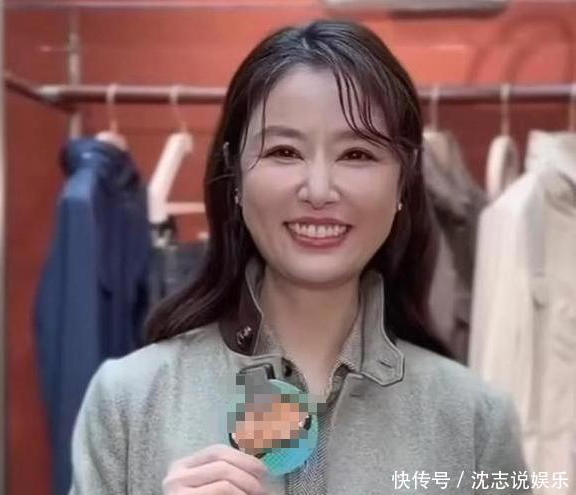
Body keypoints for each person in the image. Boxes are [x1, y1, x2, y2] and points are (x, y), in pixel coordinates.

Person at [69, 19, 530, 495]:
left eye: (357, 154)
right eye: (285, 151)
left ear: (403, 181)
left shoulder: (475, 421)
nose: (319, 189)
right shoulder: (128, 402)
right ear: (234, 175)